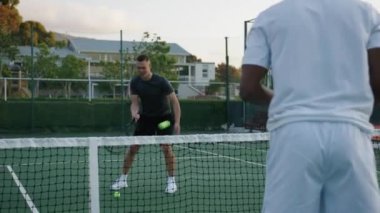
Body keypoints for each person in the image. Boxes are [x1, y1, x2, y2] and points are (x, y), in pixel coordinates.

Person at [240, 0, 380, 212]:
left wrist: (284, 100)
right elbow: (378, 82)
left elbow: (248, 89)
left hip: (293, 137)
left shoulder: (269, 17)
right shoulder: (368, 13)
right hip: (351, 138)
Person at [111, 54, 181, 194]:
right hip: (146, 118)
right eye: (138, 67)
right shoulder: (135, 82)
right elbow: (134, 103)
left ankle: (171, 181)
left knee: (166, 148)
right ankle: (123, 179)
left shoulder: (161, 81)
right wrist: (134, 113)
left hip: (164, 120)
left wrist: (177, 122)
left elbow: (174, 102)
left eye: (143, 67)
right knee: (133, 148)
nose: (141, 70)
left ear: (149, 66)